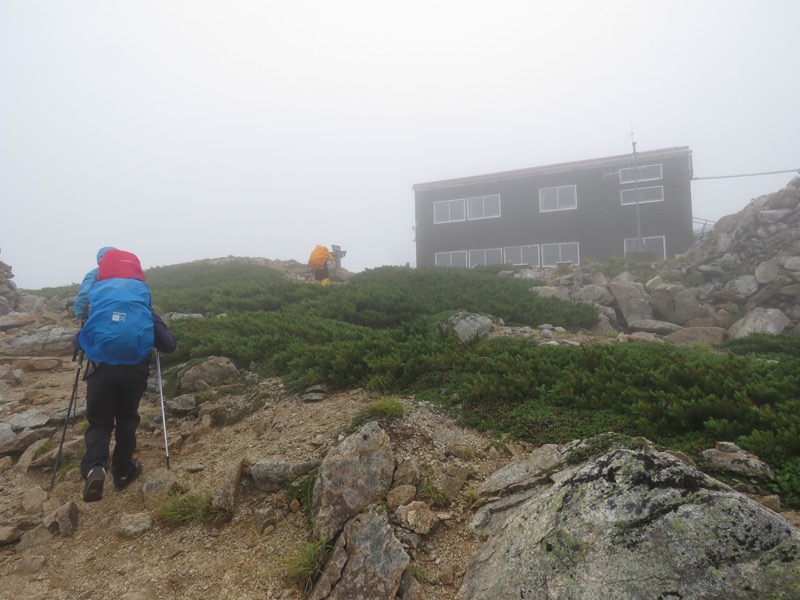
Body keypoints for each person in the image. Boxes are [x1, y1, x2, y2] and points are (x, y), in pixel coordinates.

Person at [74, 301, 177, 502]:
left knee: (99, 422)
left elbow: (78, 342)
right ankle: (122, 471)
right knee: (127, 419)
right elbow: (169, 345)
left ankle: (95, 467)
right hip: (133, 373)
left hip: (100, 372)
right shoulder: (146, 312)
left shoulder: (99, 310)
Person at [73, 246, 115, 320]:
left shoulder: (94, 274)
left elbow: (84, 293)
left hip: (102, 315)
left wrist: (81, 315)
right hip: (131, 315)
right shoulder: (130, 273)